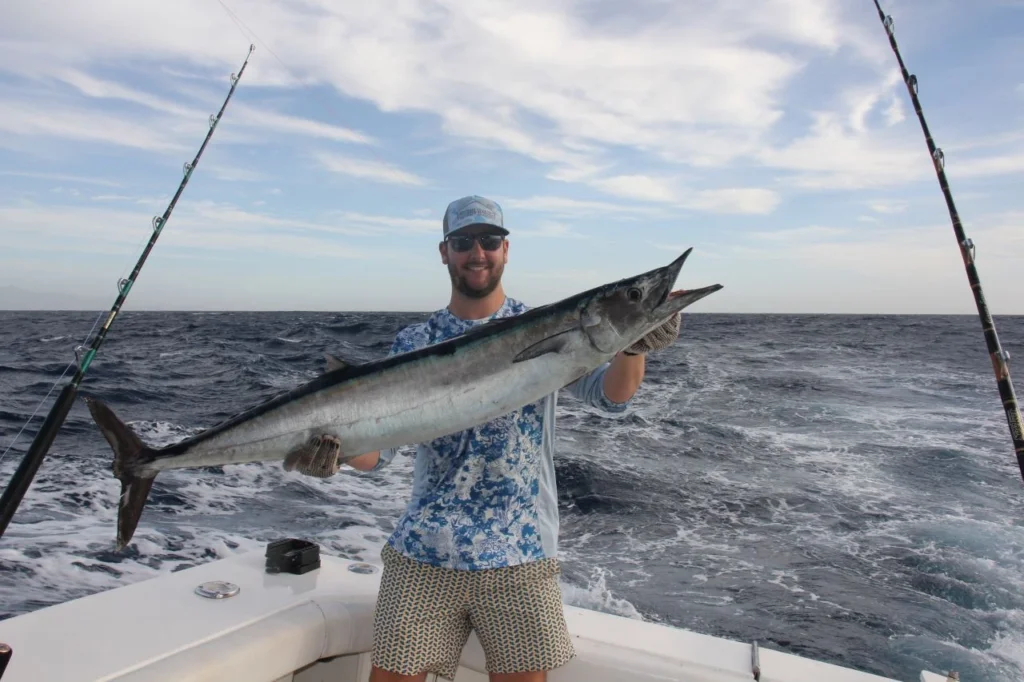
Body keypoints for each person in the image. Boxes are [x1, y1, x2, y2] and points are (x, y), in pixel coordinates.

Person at [336, 196, 681, 682]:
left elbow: (611, 397)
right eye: (463, 242)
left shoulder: (551, 327)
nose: (477, 252)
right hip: (424, 549)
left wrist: (633, 345)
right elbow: (379, 454)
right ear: (444, 252)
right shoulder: (414, 341)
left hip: (520, 553)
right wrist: (336, 451)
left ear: (506, 249)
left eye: (489, 240)